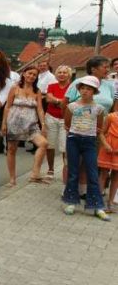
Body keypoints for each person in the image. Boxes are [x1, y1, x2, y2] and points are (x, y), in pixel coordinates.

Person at [65, 56, 115, 198]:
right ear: (93, 69)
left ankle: (85, 189)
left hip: (100, 129)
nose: (108, 69)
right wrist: (69, 126)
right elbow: (66, 103)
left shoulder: (109, 85)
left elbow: (112, 108)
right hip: (79, 127)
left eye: (108, 67)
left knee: (91, 162)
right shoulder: (78, 82)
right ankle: (70, 189)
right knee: (75, 161)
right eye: (105, 67)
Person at [62, 75, 111, 221]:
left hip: (90, 142)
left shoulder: (99, 109)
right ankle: (71, 202)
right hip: (73, 140)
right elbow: (67, 124)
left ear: (94, 91)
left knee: (92, 173)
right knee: (73, 172)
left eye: (88, 89)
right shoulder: (72, 106)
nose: (85, 91)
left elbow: (99, 128)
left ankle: (97, 206)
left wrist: (103, 143)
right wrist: (76, 132)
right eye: (82, 88)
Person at [1, 66, 48, 186]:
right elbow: (7, 107)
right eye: (29, 73)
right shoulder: (15, 88)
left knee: (43, 144)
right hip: (14, 123)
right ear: (24, 74)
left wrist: (43, 124)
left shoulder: (37, 91)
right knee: (12, 150)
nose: (31, 76)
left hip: (31, 124)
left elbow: (40, 109)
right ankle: (12, 179)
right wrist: (4, 124)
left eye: (34, 75)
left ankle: (35, 174)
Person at [45, 65, 72, 181]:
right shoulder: (52, 86)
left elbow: (73, 102)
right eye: (59, 72)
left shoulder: (72, 87)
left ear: (69, 74)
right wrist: (63, 101)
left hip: (66, 119)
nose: (62, 74)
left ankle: (66, 170)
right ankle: (50, 169)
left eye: (64, 72)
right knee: (50, 145)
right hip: (51, 117)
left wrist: (56, 100)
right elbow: (48, 99)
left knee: (64, 147)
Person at [98, 108, 118, 213]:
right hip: (108, 150)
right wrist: (105, 145)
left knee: (116, 177)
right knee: (103, 174)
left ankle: (110, 203)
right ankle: (98, 202)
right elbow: (101, 132)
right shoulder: (111, 116)